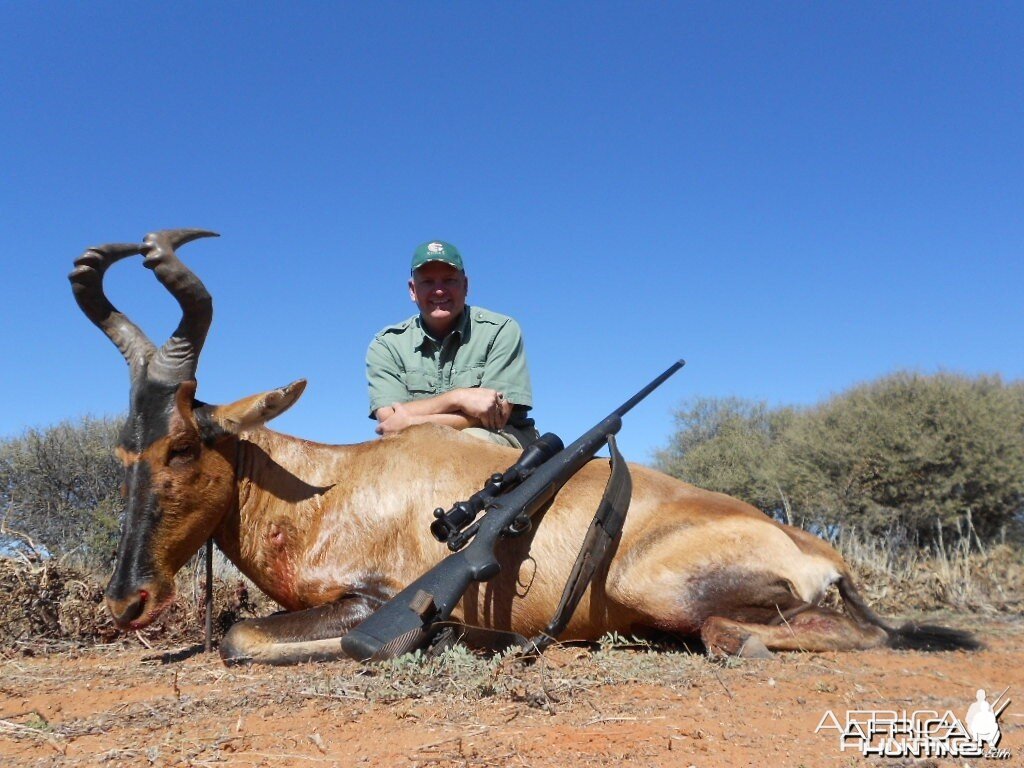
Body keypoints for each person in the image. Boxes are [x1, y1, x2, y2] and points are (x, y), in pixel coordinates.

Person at [366, 240, 540, 448]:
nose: (439, 291)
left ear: (465, 286)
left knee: (468, 446)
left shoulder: (501, 329)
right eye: (428, 282)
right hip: (415, 444)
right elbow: (388, 419)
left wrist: (412, 421)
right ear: (412, 290)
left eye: (449, 281)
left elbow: (498, 414)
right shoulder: (386, 345)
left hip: (499, 437)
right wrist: (458, 398)